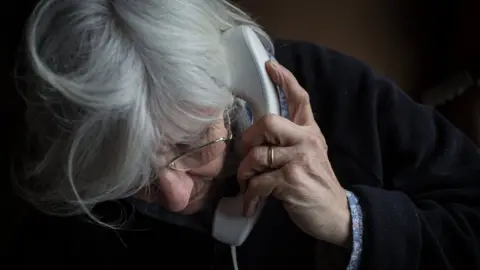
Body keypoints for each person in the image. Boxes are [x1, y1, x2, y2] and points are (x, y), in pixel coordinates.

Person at [6, 0, 480, 269]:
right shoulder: (70, 208)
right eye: (129, 175)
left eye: (191, 144)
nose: (173, 196)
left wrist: (352, 222)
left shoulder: (332, 87)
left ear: (238, 83)